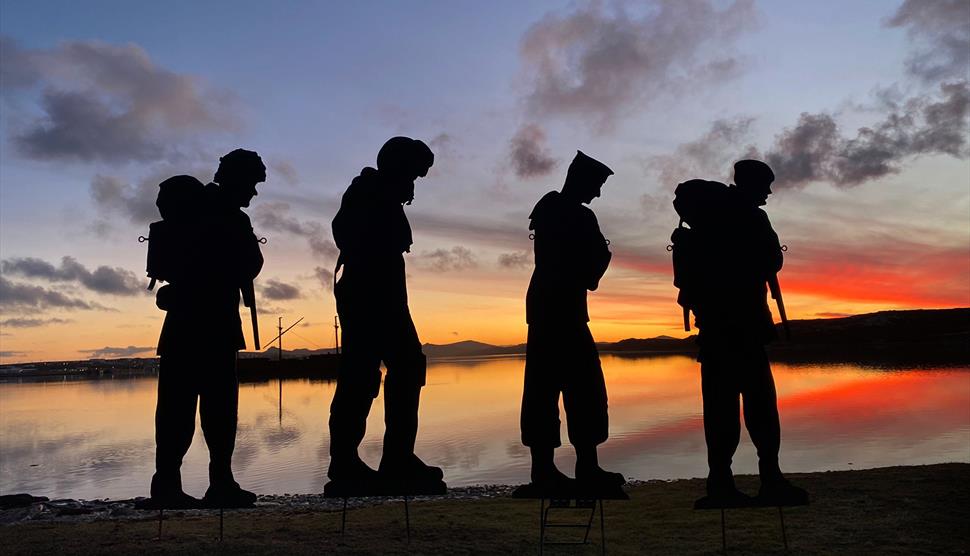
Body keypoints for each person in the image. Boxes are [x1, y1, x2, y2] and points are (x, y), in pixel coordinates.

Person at [147, 149, 266, 509]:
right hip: (209, 325)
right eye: (253, 183)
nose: (254, 193)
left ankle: (175, 484)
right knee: (210, 412)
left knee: (183, 411)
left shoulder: (199, 212)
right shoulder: (227, 217)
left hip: (188, 324)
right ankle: (215, 484)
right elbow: (249, 264)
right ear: (236, 178)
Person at [327, 136, 443, 492]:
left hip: (385, 296)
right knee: (361, 377)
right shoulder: (367, 192)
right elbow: (348, 236)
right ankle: (346, 463)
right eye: (416, 173)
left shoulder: (384, 195)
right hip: (368, 295)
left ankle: (396, 458)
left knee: (404, 368)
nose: (416, 182)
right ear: (399, 166)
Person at [690, 159, 808, 507]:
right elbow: (772, 261)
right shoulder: (752, 217)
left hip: (713, 330)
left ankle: (720, 483)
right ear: (749, 183)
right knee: (761, 409)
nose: (769, 192)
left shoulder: (707, 217)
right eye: (765, 185)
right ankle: (770, 479)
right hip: (745, 329)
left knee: (719, 409)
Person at [520, 150, 624, 490]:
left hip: (550, 309)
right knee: (578, 388)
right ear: (580, 181)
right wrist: (601, 256)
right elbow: (587, 271)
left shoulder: (549, 211)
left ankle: (561, 468)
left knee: (554, 389)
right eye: (596, 185)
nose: (597, 194)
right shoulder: (576, 216)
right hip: (561, 311)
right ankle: (570, 468)